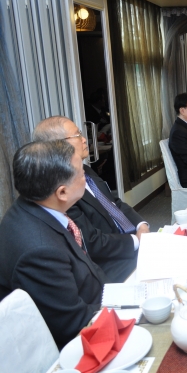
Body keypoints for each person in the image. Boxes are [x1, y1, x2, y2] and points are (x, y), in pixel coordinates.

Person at [0, 140, 106, 348]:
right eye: (81, 172)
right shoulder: (40, 251)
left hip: (95, 298)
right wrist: (126, 307)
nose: (86, 175)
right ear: (62, 192)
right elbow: (74, 323)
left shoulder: (37, 204)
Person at [33, 116, 147, 283]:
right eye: (78, 135)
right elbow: (91, 242)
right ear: (58, 145)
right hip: (108, 264)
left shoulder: (86, 169)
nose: (85, 140)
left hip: (129, 243)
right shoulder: (61, 190)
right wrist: (136, 241)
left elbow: (115, 203)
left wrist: (141, 225)